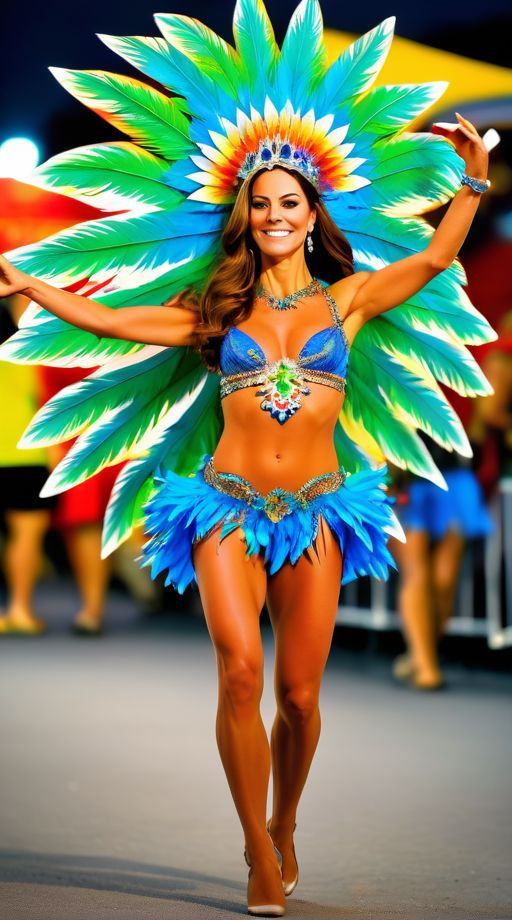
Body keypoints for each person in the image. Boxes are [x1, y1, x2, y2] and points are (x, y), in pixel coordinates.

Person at [0, 4, 495, 915]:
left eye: (288, 203)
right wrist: (34, 285)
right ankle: (257, 855)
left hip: (320, 508)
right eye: (260, 204)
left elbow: (432, 259)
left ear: (311, 215)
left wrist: (470, 182)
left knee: (299, 697)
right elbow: (112, 321)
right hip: (223, 505)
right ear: (245, 216)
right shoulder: (216, 311)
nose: (273, 215)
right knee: (238, 671)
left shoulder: (347, 302)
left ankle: (285, 822)